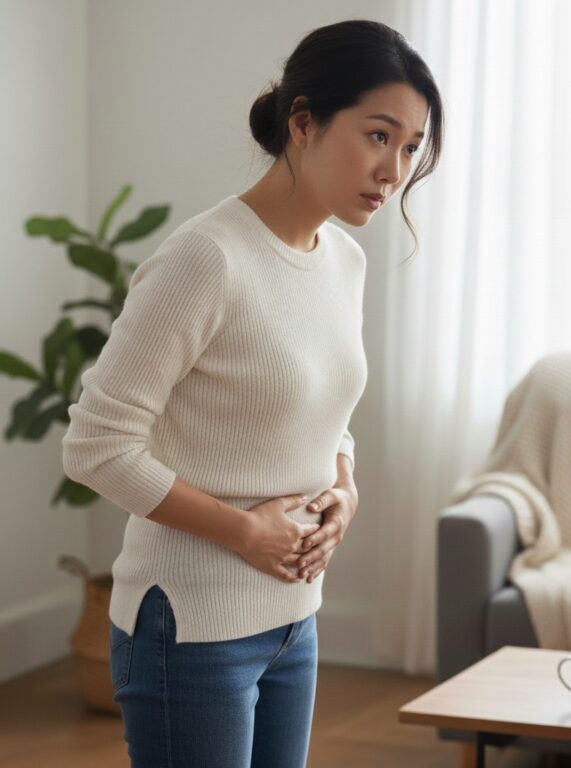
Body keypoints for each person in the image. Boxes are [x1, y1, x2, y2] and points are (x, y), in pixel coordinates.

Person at [61, 17, 444, 768]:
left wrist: (346, 485)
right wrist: (242, 531)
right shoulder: (205, 260)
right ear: (303, 122)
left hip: (293, 621)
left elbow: (323, 409)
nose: (394, 168)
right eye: (377, 135)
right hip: (190, 625)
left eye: (410, 146)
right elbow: (96, 446)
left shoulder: (342, 259)